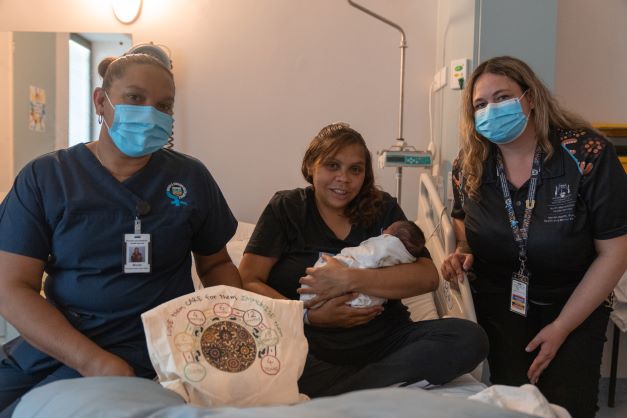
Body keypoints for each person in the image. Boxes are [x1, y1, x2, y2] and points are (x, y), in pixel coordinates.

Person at [0, 44, 242, 417]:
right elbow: (11, 286)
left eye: (164, 106)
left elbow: (216, 266)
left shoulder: (189, 178)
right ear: (101, 101)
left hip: (156, 348)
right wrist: (93, 361)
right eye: (134, 98)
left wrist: (235, 329)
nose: (150, 113)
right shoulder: (46, 178)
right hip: (60, 340)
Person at [239, 122, 488, 397]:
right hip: (310, 345)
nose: (344, 178)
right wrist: (307, 316)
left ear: (365, 174)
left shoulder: (383, 209)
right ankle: (380, 385)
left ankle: (349, 390)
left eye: (355, 169)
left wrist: (350, 278)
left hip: (385, 340)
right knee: (265, 361)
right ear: (311, 166)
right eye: (332, 165)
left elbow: (427, 277)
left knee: (469, 339)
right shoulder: (287, 209)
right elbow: (248, 280)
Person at [440, 56, 627, 418]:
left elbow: (615, 253)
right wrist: (462, 248)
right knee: (512, 403)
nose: (491, 109)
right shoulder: (470, 166)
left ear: (530, 98)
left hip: (575, 304)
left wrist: (561, 328)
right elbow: (462, 218)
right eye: (481, 104)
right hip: (502, 303)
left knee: (567, 406)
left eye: (502, 97)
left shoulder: (585, 156)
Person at [300, 220, 426, 308]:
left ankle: (310, 304)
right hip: (369, 301)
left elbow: (369, 257)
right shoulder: (407, 258)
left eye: (386, 230)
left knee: (323, 267)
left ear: (390, 234)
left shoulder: (386, 244)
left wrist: (347, 261)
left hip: (353, 276)